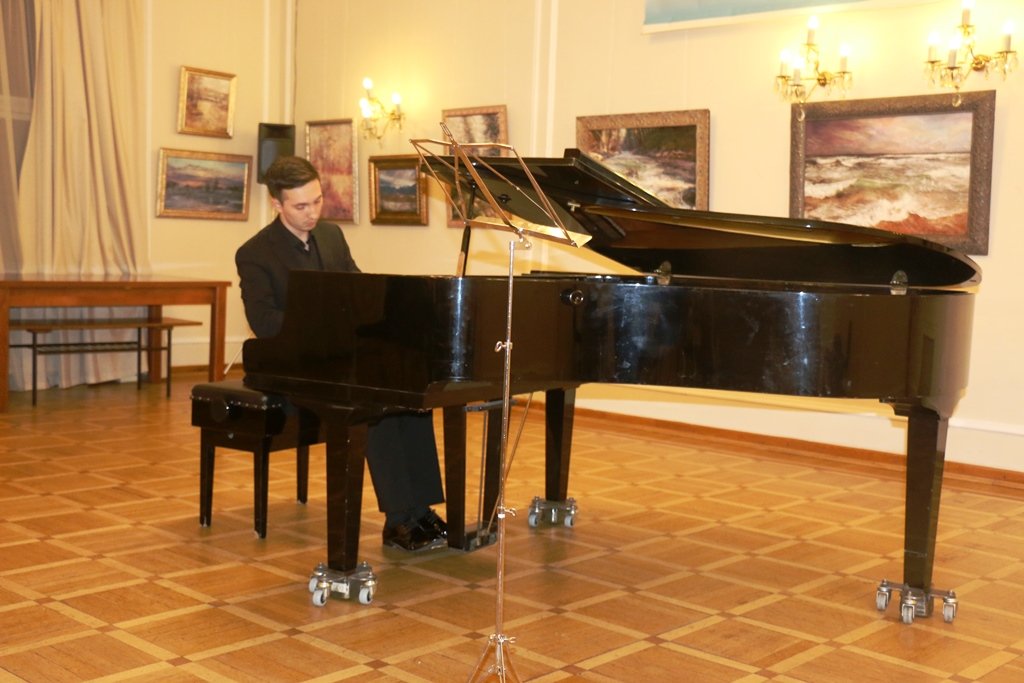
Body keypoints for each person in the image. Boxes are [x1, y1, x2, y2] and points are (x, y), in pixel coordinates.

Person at [235, 155, 447, 551]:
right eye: (301, 205)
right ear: (277, 204)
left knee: (409, 392)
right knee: (370, 400)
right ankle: (399, 520)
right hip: (292, 367)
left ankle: (421, 511)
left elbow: (357, 289)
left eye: (317, 201)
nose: (312, 212)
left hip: (337, 359)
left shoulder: (331, 236)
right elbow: (264, 322)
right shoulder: (255, 253)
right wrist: (326, 323)